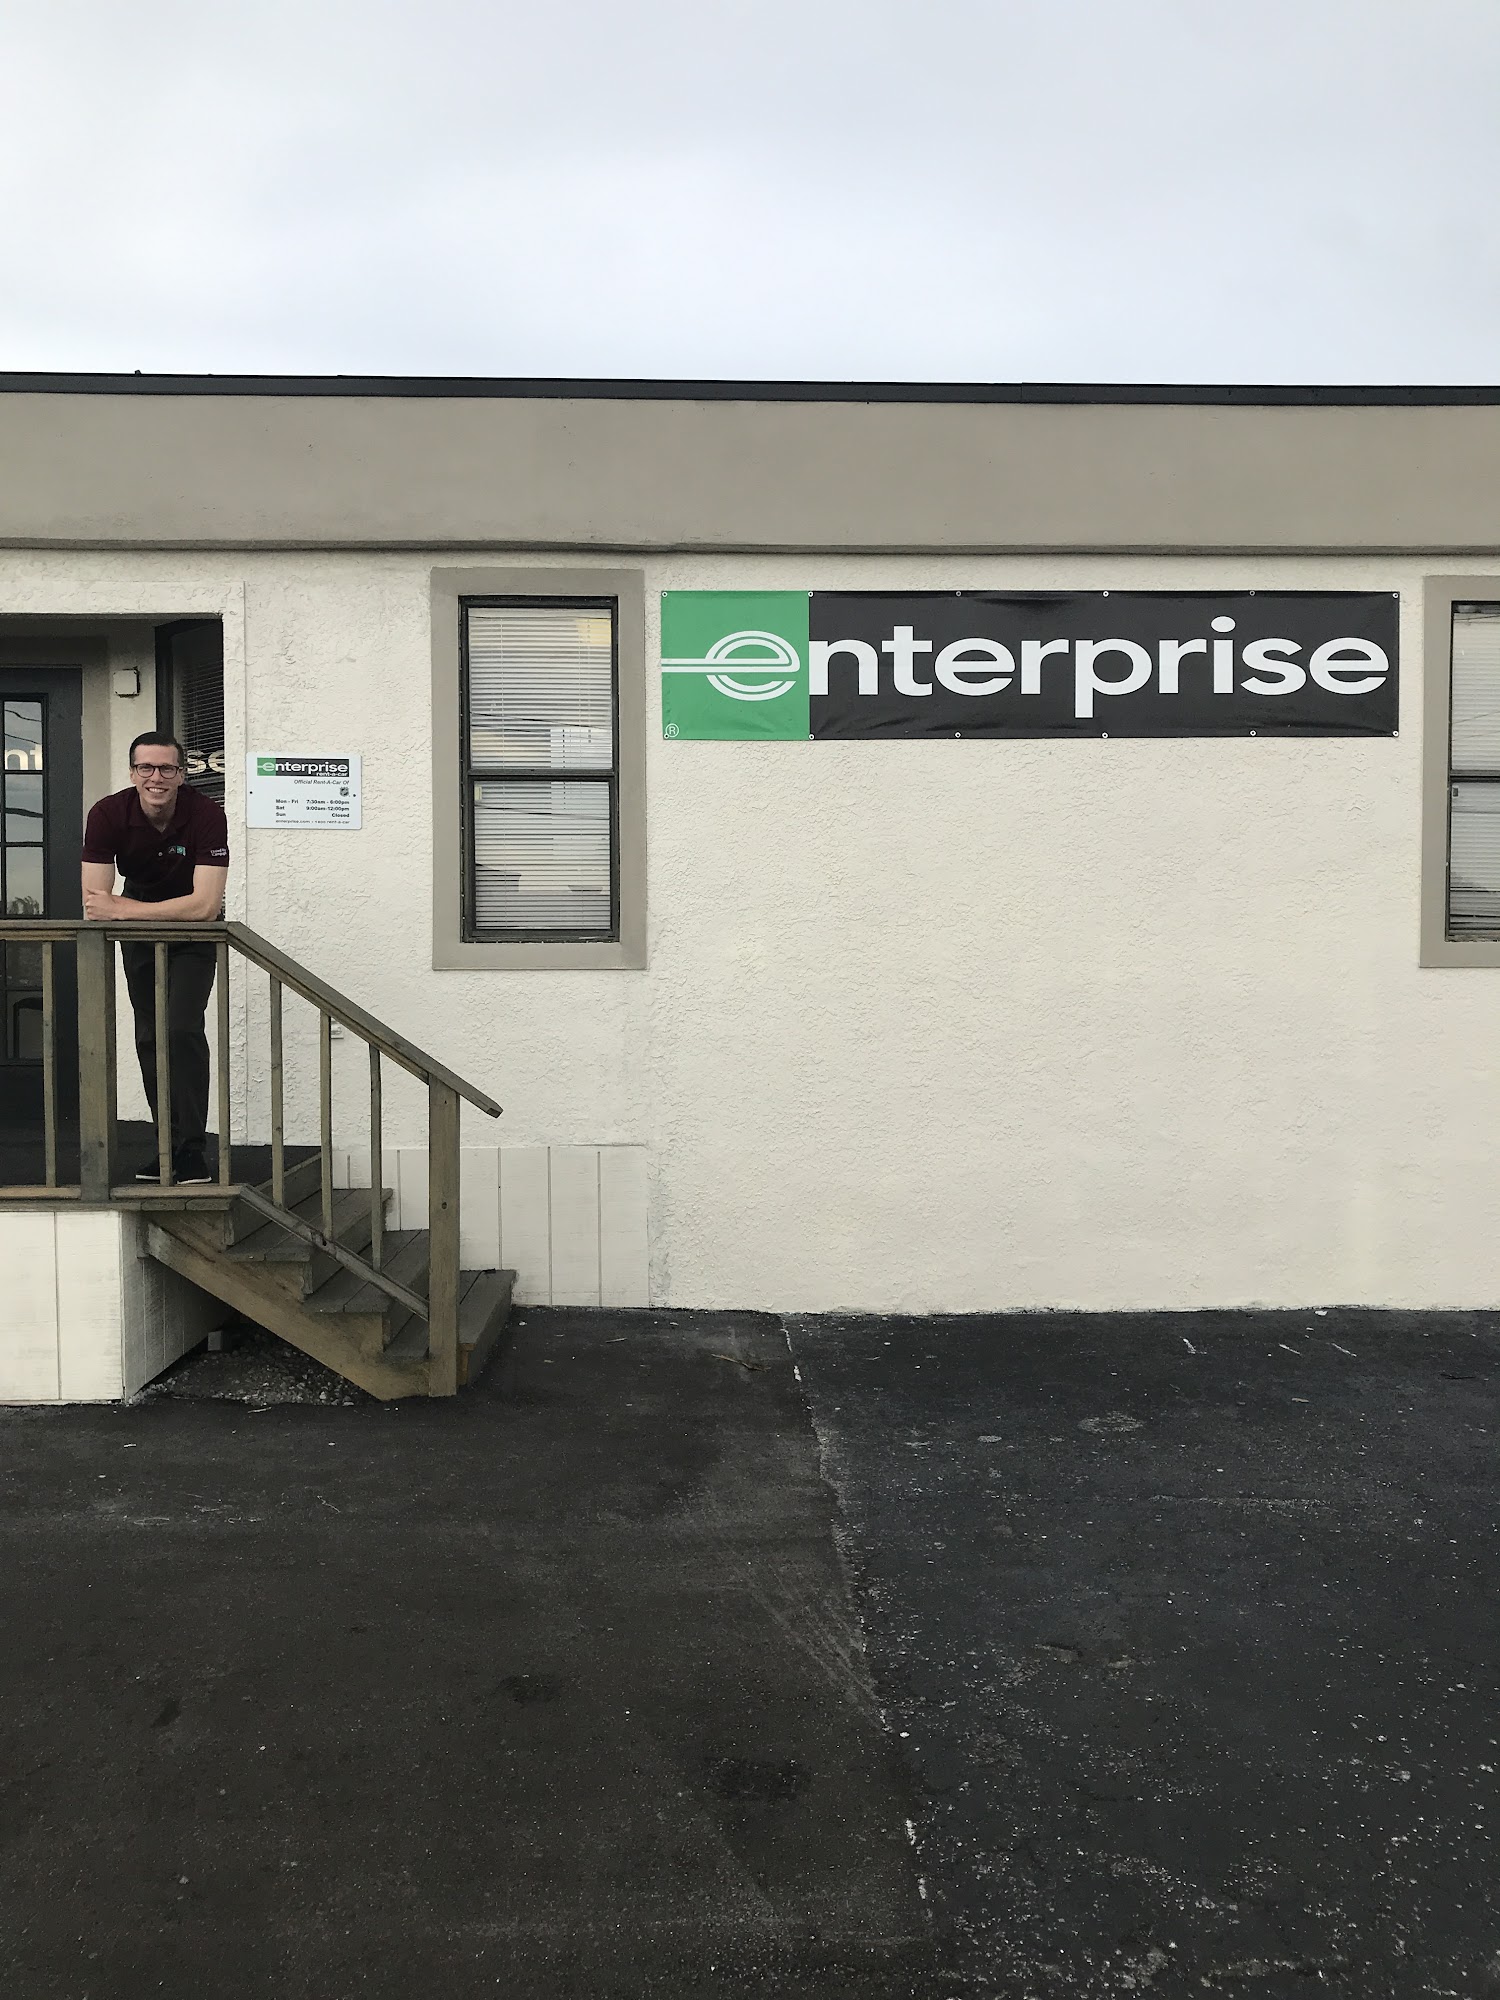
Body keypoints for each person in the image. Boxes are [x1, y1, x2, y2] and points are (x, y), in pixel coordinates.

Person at [80, 732, 230, 1184]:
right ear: (132, 773)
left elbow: (205, 907)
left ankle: (192, 1151)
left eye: (167, 768)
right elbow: (96, 902)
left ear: (182, 775)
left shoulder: (207, 814)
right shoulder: (107, 813)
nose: (156, 777)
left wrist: (125, 909)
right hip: (139, 935)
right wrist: (125, 911)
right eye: (146, 767)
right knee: (150, 1036)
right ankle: (167, 1147)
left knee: (181, 1029)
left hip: (192, 935)